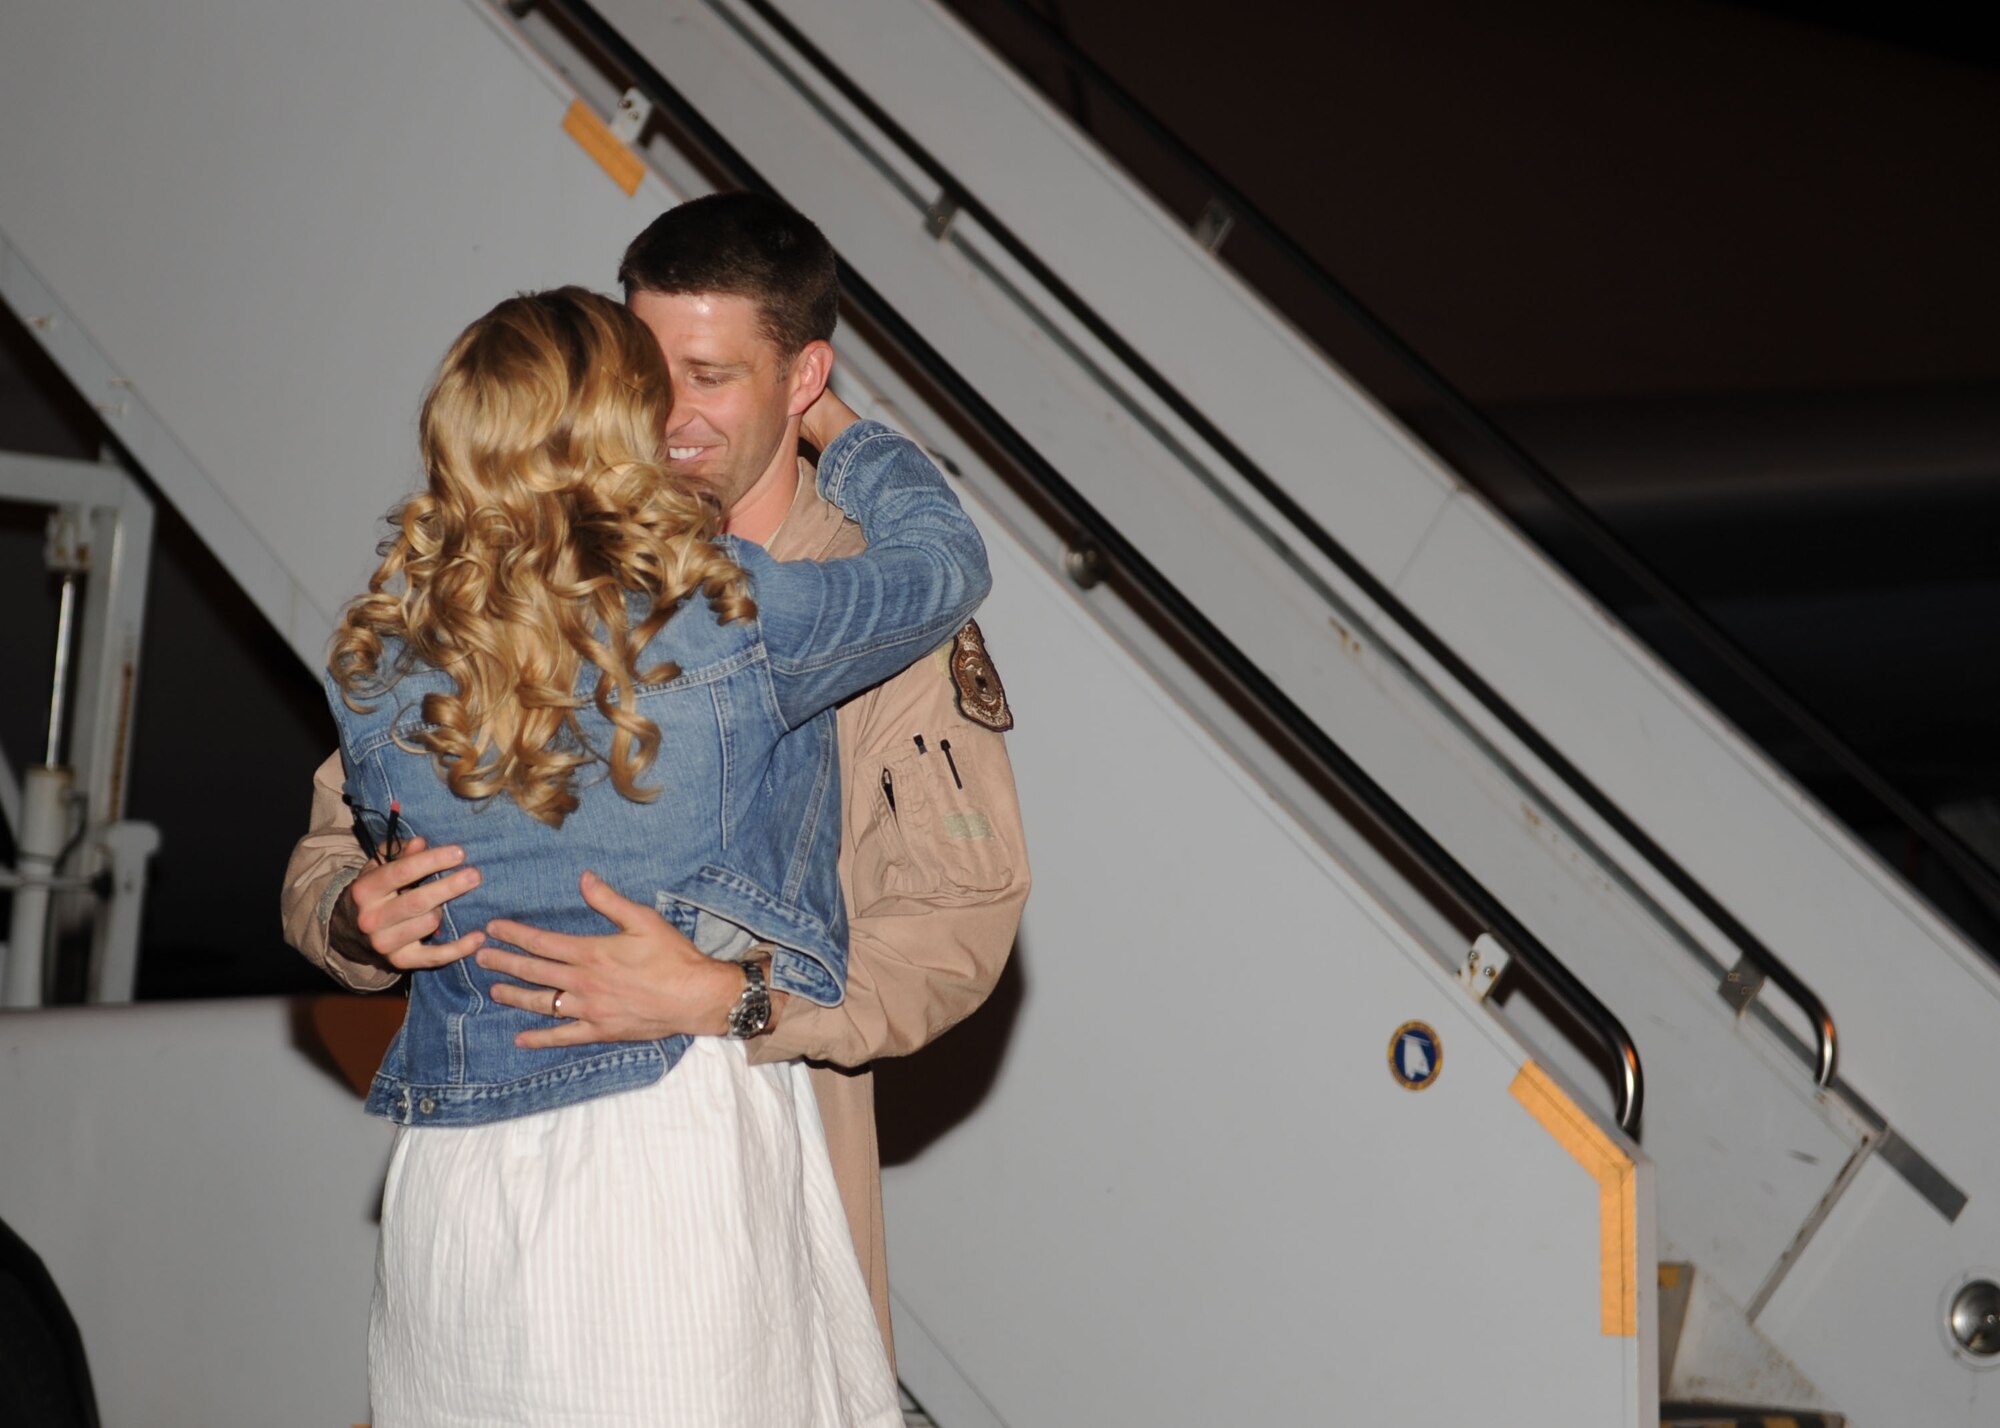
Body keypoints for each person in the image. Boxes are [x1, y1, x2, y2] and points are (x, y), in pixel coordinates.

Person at [281, 193, 1031, 1360]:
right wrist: (351, 916)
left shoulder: (856, 605)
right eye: (647, 374)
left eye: (713, 376)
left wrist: (732, 1000)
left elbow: (954, 927)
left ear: (802, 381)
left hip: (756, 1152)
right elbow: (336, 839)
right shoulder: (516, 591)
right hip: (499, 1176)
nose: (671, 420)